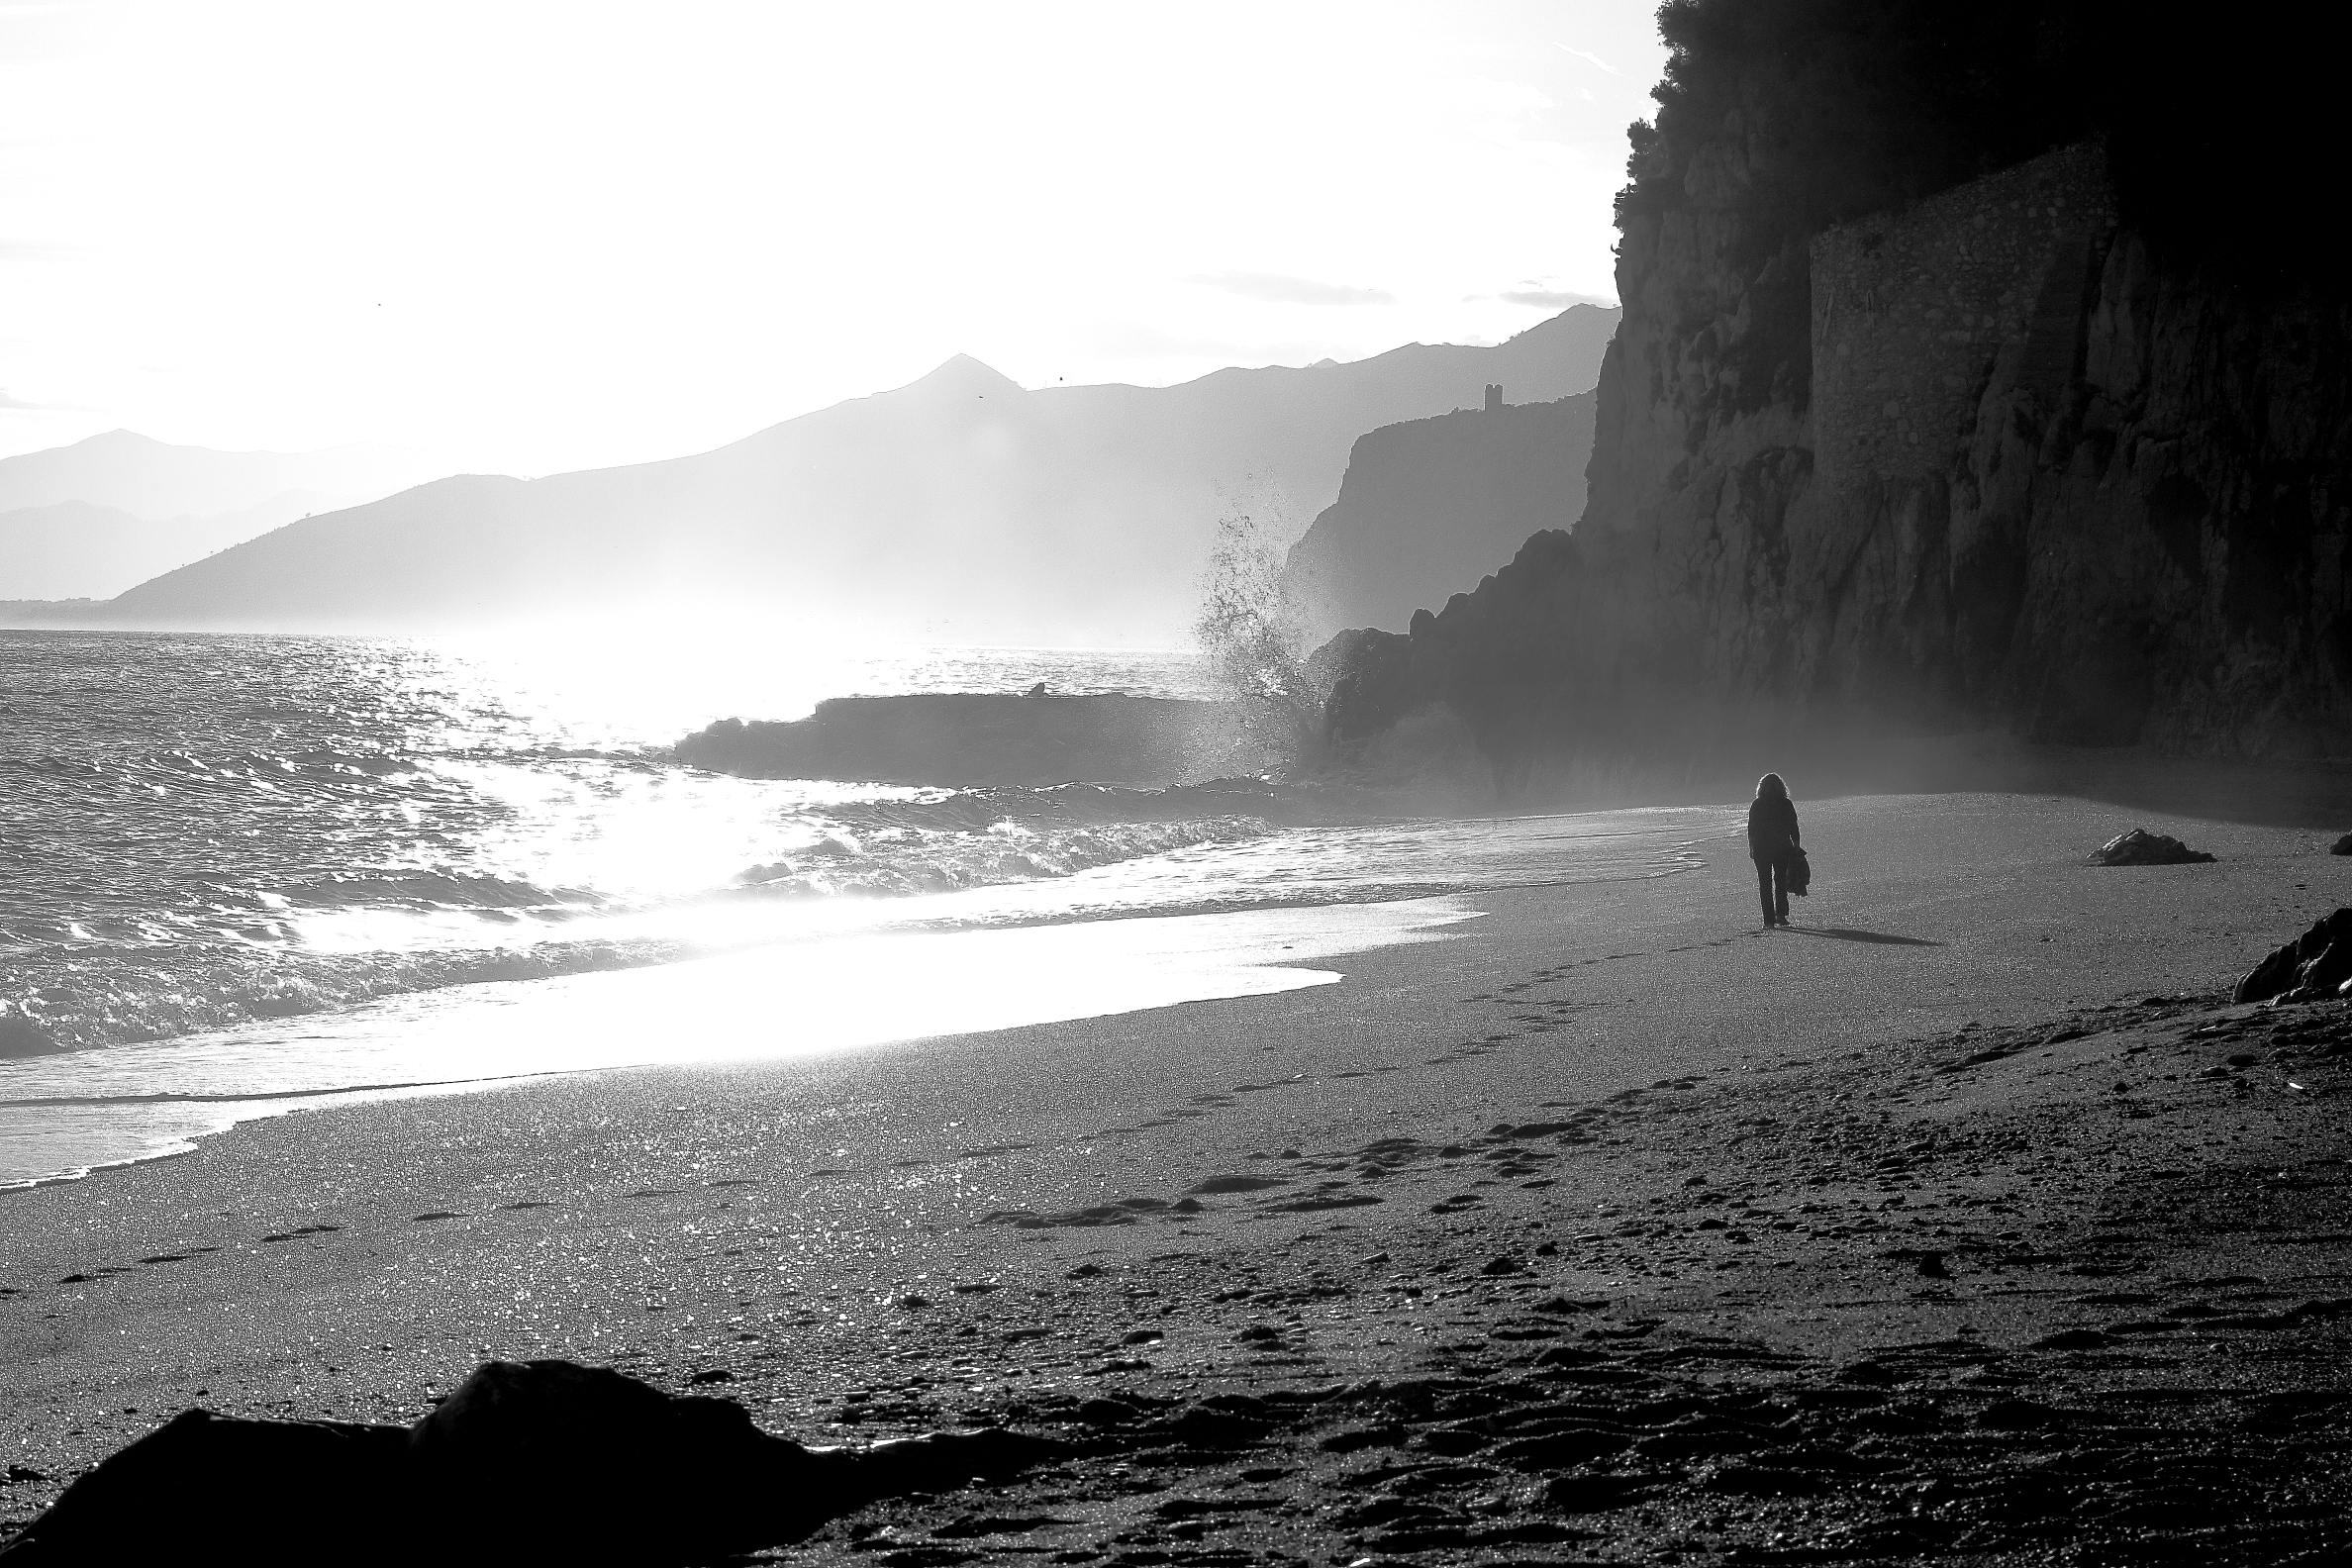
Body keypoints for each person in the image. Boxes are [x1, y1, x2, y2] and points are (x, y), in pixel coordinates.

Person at [1747, 772, 1801, 927]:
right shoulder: (1786, 804)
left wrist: (1751, 847)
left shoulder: (1757, 804)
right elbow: (1793, 826)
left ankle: (1768, 920)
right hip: (1782, 847)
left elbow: (1752, 829)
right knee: (1780, 881)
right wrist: (1796, 845)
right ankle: (1781, 916)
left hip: (1761, 848)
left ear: (1761, 787)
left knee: (1765, 884)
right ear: (1781, 787)